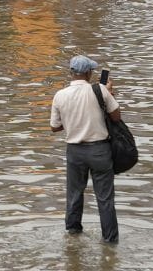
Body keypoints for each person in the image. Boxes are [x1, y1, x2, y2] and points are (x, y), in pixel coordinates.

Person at [50, 54, 120, 243]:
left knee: (74, 195)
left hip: (74, 152)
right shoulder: (101, 91)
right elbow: (116, 117)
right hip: (100, 151)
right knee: (105, 199)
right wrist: (109, 94)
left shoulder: (60, 95)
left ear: (72, 73)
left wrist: (73, 119)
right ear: (89, 72)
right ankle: (110, 242)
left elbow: (55, 127)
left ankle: (73, 236)